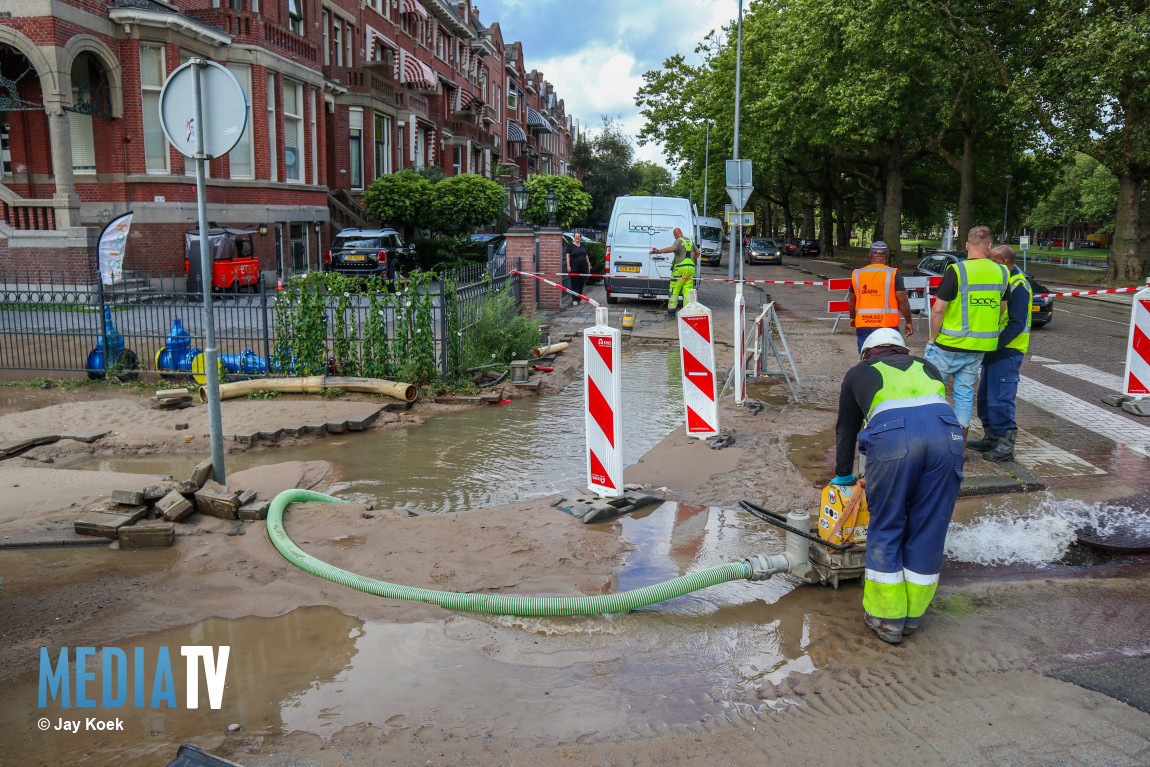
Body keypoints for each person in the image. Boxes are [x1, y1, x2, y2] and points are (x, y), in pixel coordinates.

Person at [833, 328, 965, 644]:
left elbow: (847, 428)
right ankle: (914, 616)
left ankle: (887, 618)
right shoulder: (928, 366)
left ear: (867, 353)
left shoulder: (858, 372)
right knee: (930, 527)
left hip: (895, 441)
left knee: (888, 523)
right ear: (902, 351)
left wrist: (843, 476)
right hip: (949, 438)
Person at [925, 225, 1009, 440]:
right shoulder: (1002, 272)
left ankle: (929, 438)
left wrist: (933, 339)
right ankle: (958, 443)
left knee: (929, 391)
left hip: (948, 345)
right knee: (964, 394)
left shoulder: (957, 270)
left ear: (966, 245)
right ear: (990, 246)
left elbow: (938, 309)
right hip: (980, 347)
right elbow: (1002, 306)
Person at [969, 245, 1032, 462]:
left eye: (993, 260)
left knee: (1001, 398)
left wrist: (995, 345)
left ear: (1004, 261)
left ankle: (1005, 447)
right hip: (996, 351)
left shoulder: (1019, 286)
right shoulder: (1004, 281)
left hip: (1008, 351)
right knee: (987, 397)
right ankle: (991, 437)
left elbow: (1017, 323)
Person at [848, 240, 914, 352]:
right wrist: (908, 321)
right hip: (887, 325)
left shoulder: (857, 274)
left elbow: (852, 300)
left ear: (870, 255)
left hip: (864, 324)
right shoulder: (893, 273)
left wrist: (853, 317)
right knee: (888, 358)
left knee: (866, 357)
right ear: (886, 256)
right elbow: (902, 301)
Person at [649, 227, 698, 317]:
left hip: (680, 269)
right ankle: (686, 313)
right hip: (691, 268)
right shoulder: (690, 241)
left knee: (674, 289)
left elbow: (671, 249)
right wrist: (693, 260)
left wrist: (658, 251)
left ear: (675, 234)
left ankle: (671, 312)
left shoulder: (678, 241)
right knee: (687, 291)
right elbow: (698, 252)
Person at [565, 232, 591, 300]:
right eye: (576, 236)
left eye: (578, 236)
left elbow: (586, 255)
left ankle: (579, 298)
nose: (577, 238)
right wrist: (568, 266)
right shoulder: (570, 246)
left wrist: (588, 264)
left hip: (583, 267)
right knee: (574, 284)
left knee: (581, 284)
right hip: (574, 268)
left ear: (580, 237)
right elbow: (568, 256)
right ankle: (574, 299)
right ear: (574, 237)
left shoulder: (583, 245)